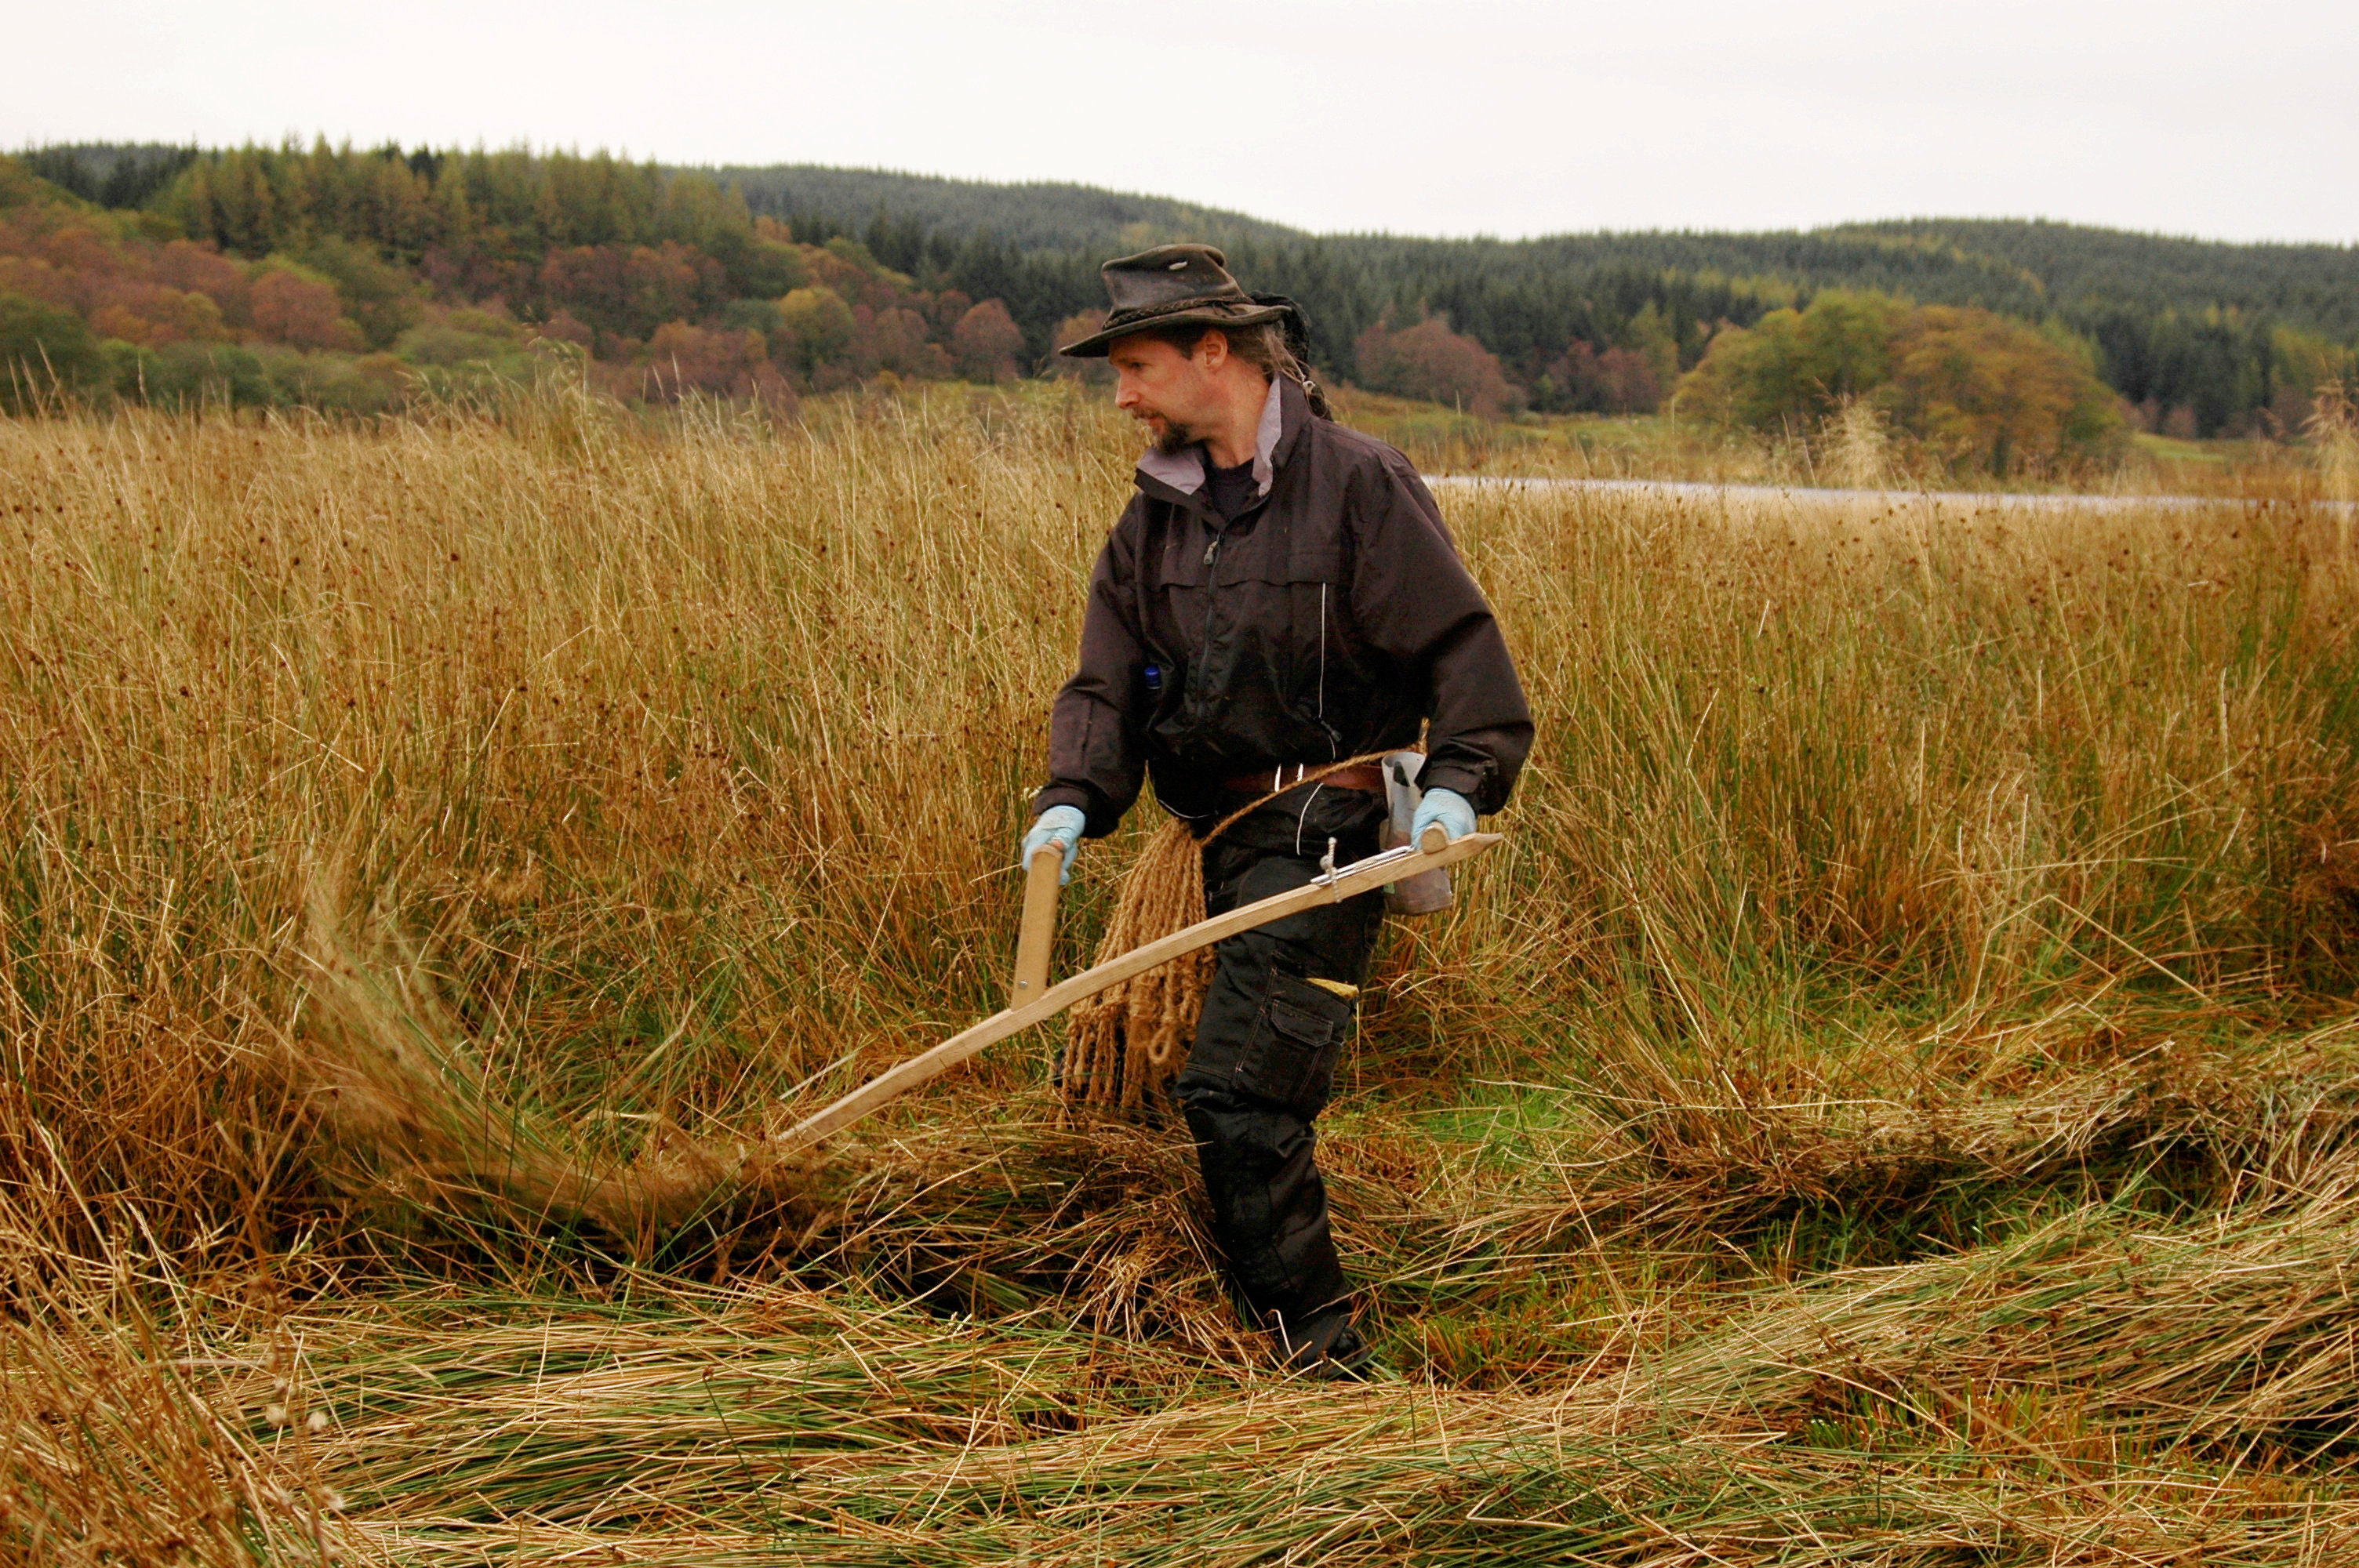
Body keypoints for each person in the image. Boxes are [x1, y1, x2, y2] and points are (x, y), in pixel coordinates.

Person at [1023, 244, 1532, 1377]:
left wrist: (1457, 781)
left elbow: (1462, 649)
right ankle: (1232, 1314)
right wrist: (1072, 797)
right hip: (1209, 840)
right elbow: (1105, 685)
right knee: (1189, 1090)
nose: (1121, 395)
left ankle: (1320, 1359)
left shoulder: (1358, 485)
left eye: (1138, 366)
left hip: (1326, 830)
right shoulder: (1152, 520)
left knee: (1240, 1091)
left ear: (1216, 354)